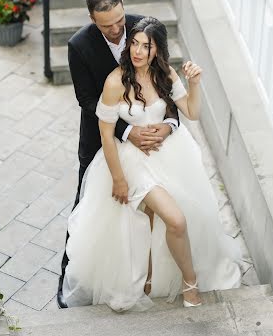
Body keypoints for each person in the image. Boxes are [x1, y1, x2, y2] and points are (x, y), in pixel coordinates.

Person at [62, 17, 241, 311]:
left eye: (147, 46)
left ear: (157, 50)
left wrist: (194, 84)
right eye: (134, 43)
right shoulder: (115, 81)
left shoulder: (165, 74)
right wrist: (119, 179)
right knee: (176, 219)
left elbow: (191, 112)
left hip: (170, 157)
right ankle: (190, 283)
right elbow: (106, 135)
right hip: (132, 163)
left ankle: (151, 280)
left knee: (158, 221)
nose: (138, 51)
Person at [57, 0, 179, 308]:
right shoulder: (79, 46)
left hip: (147, 139)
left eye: (120, 20)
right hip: (99, 140)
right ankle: (73, 276)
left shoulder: (144, 28)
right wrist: (128, 132)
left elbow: (165, 83)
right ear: (92, 20)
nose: (117, 30)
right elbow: (86, 100)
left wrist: (168, 125)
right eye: (107, 25)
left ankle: (152, 273)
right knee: (87, 207)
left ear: (125, 8)